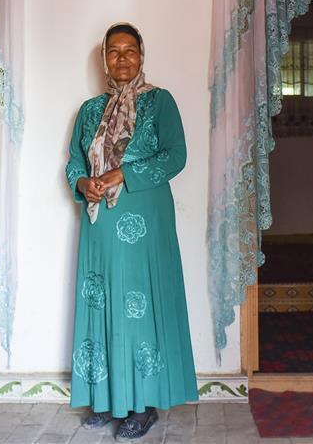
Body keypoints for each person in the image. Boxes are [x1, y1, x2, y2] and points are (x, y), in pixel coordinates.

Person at [65, 22, 198, 441]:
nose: (122, 58)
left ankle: (142, 405)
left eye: (130, 50)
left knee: (138, 307)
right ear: (104, 59)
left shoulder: (160, 102)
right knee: (103, 305)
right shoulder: (89, 110)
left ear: (143, 55)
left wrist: (124, 172)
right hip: (100, 225)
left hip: (144, 226)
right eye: (113, 51)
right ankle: (106, 400)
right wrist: (82, 183)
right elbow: (73, 162)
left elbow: (176, 155)